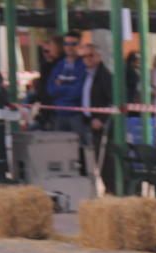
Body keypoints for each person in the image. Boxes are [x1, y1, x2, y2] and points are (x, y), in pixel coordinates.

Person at [80, 44, 115, 194]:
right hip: (87, 121)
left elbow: (112, 101)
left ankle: (111, 190)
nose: (87, 59)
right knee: (91, 159)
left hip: (100, 124)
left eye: (91, 55)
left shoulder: (105, 76)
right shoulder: (86, 74)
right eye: (84, 56)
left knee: (105, 161)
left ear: (99, 57)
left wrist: (101, 118)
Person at [47, 30, 87, 136]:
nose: (69, 47)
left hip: (77, 116)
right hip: (59, 114)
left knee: (80, 148)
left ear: (80, 45)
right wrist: (69, 86)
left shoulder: (83, 65)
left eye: (73, 44)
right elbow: (51, 90)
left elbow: (78, 92)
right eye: (66, 44)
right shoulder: (58, 65)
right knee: (60, 148)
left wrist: (61, 86)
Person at [35, 35, 64, 130]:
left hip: (54, 108)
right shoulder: (46, 65)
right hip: (46, 106)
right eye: (44, 51)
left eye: (50, 47)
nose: (46, 54)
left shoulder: (60, 64)